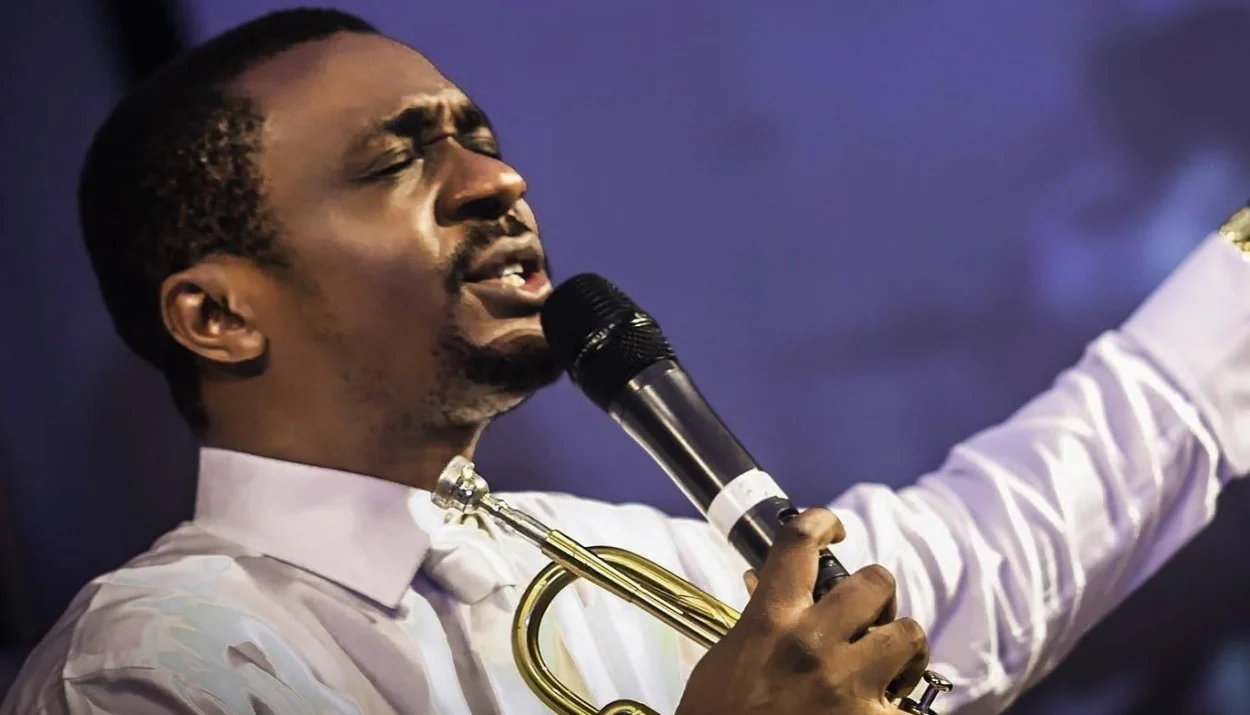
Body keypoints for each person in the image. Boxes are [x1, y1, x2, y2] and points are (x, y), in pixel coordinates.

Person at [2, 6, 1247, 715]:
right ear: (218, 316)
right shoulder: (146, 666)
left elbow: (1004, 538)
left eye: (480, 136)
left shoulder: (627, 562)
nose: (496, 179)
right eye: (397, 159)